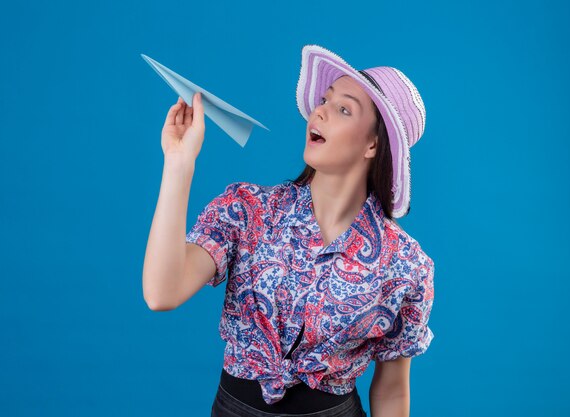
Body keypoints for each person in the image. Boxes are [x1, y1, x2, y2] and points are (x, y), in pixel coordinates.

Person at [143, 44, 435, 417]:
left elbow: (392, 392)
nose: (321, 111)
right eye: (325, 100)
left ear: (374, 144)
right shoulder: (247, 210)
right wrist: (179, 163)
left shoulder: (407, 265)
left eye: (343, 109)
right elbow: (161, 293)